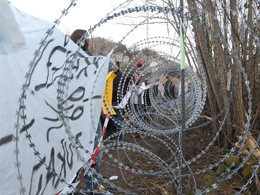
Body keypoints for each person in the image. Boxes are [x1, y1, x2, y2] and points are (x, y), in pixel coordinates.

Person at [70, 29, 109, 194]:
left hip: (73, 113)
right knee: (92, 151)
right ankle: (91, 185)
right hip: (88, 113)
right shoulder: (89, 61)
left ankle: (70, 186)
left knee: (74, 150)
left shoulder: (67, 60)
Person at [111, 61, 125, 142]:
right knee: (114, 120)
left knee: (118, 122)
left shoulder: (119, 75)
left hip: (117, 101)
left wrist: (107, 91)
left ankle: (122, 140)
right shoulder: (112, 75)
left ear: (117, 66)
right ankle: (120, 139)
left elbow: (117, 89)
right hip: (113, 101)